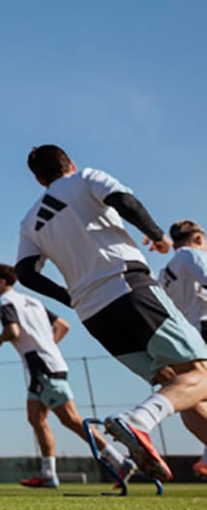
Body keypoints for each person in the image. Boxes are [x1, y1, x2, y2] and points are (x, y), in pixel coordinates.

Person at [14, 145, 207, 481]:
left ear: (39, 179)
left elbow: (26, 273)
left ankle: (141, 422)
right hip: (128, 287)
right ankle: (137, 421)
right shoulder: (86, 178)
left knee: (178, 387)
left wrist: (70, 297)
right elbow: (124, 201)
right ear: (70, 163)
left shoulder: (31, 221)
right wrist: (157, 235)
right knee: (200, 374)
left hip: (94, 315)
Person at [0, 263, 130, 487]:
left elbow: (12, 330)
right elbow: (63, 325)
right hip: (45, 364)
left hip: (42, 366)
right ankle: (48, 474)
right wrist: (48, 346)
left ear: (2, 281)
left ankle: (119, 460)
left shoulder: (4, 302)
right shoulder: (32, 301)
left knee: (71, 419)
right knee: (36, 418)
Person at [160, 221, 207, 478]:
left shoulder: (166, 271)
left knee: (193, 399)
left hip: (186, 338)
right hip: (203, 326)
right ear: (198, 238)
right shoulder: (192, 255)